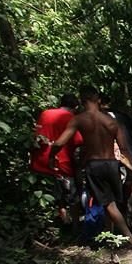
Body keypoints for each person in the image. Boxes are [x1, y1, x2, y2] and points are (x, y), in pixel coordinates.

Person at [50, 86, 132, 244]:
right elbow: (124, 148)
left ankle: (130, 240)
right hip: (112, 164)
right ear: (99, 100)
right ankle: (109, 236)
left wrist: (50, 156)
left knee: (108, 204)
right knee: (111, 202)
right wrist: (129, 169)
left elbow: (60, 142)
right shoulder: (111, 121)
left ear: (82, 101)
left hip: (94, 164)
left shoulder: (79, 119)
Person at [30, 93, 82, 224]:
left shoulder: (45, 113)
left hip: (41, 160)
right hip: (61, 162)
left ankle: (63, 220)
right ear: (75, 107)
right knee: (71, 195)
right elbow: (78, 141)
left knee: (55, 195)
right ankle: (75, 225)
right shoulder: (71, 118)